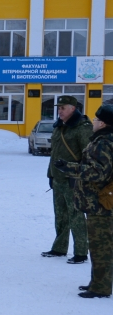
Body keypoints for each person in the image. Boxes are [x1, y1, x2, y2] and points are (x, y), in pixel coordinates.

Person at [55, 104, 113, 298]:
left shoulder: (104, 142)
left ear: (103, 123)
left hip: (101, 204)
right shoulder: (102, 139)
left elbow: (98, 172)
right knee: (99, 246)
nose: (93, 122)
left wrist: (71, 168)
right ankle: (96, 282)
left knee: (100, 247)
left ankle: (101, 287)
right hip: (99, 202)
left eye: (96, 120)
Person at [44, 96, 93, 263]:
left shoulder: (82, 128)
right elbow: (54, 154)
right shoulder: (59, 126)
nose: (59, 110)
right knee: (61, 215)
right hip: (58, 178)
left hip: (74, 179)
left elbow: (88, 155)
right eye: (59, 108)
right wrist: (50, 174)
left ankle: (80, 252)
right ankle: (59, 248)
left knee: (76, 216)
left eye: (63, 107)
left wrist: (82, 177)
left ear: (73, 108)